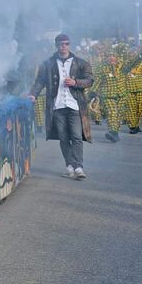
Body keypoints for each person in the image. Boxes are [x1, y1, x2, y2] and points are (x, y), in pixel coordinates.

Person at [29, 34, 94, 178]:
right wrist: (33, 94)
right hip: (57, 106)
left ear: (69, 45)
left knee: (76, 136)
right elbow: (40, 81)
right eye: (60, 44)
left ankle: (78, 167)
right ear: (56, 45)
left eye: (66, 44)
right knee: (64, 138)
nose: (63, 46)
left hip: (75, 105)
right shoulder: (48, 63)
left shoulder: (80, 62)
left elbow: (90, 80)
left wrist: (76, 82)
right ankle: (69, 165)